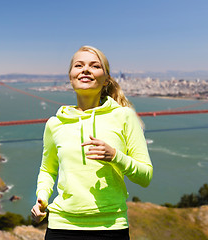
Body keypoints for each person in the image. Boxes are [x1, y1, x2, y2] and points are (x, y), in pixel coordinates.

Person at [31, 45, 153, 239]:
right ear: (70, 76)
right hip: (61, 227)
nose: (85, 69)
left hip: (111, 228)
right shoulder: (54, 124)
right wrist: (42, 198)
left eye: (94, 66)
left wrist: (115, 157)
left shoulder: (124, 117)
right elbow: (48, 170)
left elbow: (145, 176)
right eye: (78, 65)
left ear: (106, 80)